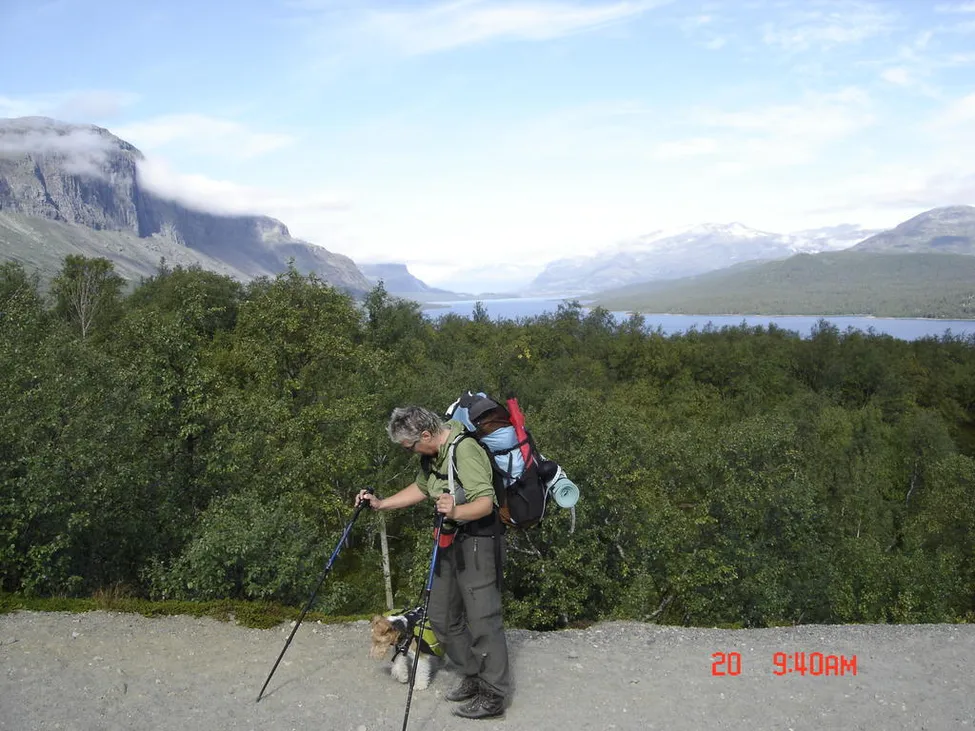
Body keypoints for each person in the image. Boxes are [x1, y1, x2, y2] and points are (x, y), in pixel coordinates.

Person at [356, 405, 510, 720]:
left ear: (425, 435)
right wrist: (382, 504)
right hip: (449, 540)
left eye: (409, 446)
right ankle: (473, 675)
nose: (408, 452)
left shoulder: (464, 451)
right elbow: (422, 487)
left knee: (483, 620)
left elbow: (485, 503)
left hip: (479, 541)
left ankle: (494, 694)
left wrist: (455, 512)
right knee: (441, 616)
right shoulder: (432, 457)